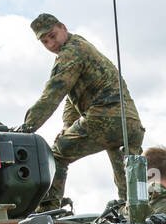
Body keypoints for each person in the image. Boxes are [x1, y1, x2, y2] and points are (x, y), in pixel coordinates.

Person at [18, 14, 145, 211]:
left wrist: (26, 128)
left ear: (63, 27)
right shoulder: (82, 45)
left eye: (53, 36)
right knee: (130, 189)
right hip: (130, 123)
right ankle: (132, 214)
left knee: (56, 155)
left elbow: (54, 92)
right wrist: (68, 125)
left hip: (104, 118)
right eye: (45, 41)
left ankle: (47, 210)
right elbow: (71, 94)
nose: (51, 44)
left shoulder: (70, 53)